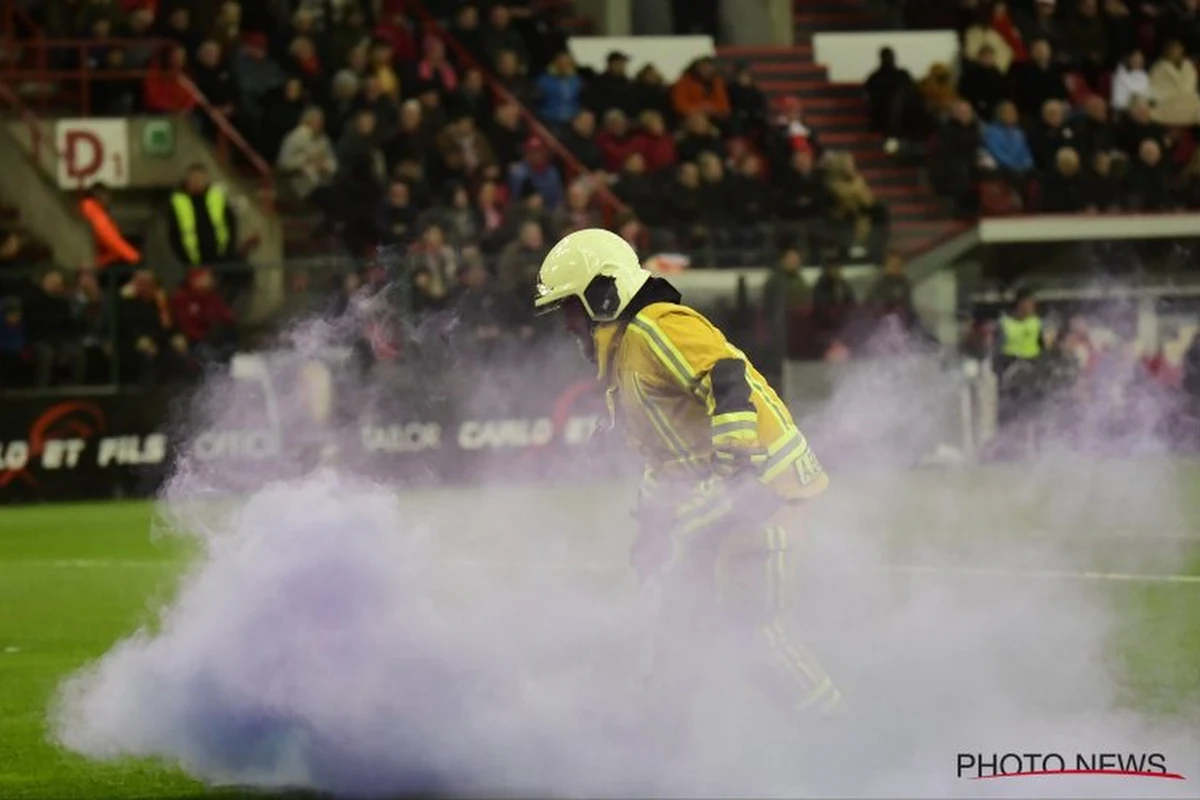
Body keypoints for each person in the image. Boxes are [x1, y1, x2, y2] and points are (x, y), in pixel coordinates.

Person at [533, 228, 841, 739]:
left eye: (570, 311)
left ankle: (838, 738)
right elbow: (668, 463)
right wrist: (651, 528)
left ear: (602, 296)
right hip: (724, 501)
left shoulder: (655, 328)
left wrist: (739, 474)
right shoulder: (624, 364)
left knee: (753, 635)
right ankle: (662, 738)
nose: (568, 327)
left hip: (762, 493)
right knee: (680, 628)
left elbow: (726, 377)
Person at [79, 183, 141, 269]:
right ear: (98, 194)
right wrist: (134, 257)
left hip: (98, 260)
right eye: (107, 196)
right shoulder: (92, 209)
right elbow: (109, 237)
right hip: (96, 263)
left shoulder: (91, 209)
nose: (109, 200)